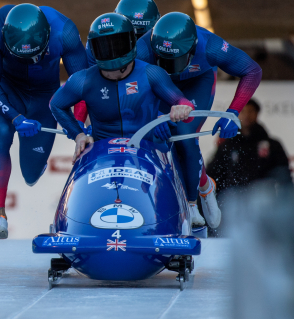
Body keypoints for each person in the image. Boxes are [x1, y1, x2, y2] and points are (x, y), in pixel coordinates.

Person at [49, 13, 199, 221]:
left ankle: (182, 210)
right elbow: (56, 105)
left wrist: (181, 109)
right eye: (104, 47)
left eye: (116, 45)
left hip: (148, 152)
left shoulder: (152, 74)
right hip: (102, 154)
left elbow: (183, 103)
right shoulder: (82, 80)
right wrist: (78, 135)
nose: (111, 55)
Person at [128, 12, 263, 229]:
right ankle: (201, 185)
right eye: (165, 60)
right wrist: (153, 116)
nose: (171, 66)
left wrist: (233, 112)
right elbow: (131, 90)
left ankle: (192, 204)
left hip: (196, 83)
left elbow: (252, 71)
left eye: (177, 60)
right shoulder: (142, 50)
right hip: (159, 84)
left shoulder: (211, 47)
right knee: (155, 139)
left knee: (184, 135)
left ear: (192, 50)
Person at [0, 3, 88, 239]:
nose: (28, 61)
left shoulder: (64, 31)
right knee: (4, 131)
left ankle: (37, 163)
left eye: (33, 57)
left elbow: (83, 84)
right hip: (8, 89)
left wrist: (77, 126)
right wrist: (15, 117)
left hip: (43, 96)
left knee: (31, 173)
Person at [206, 99, 293, 195]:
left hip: (265, 201)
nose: (247, 115)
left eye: (250, 111)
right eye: (243, 111)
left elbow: (284, 175)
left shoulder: (272, 145)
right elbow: (214, 174)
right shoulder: (228, 145)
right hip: (234, 201)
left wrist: (286, 200)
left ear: (257, 114)